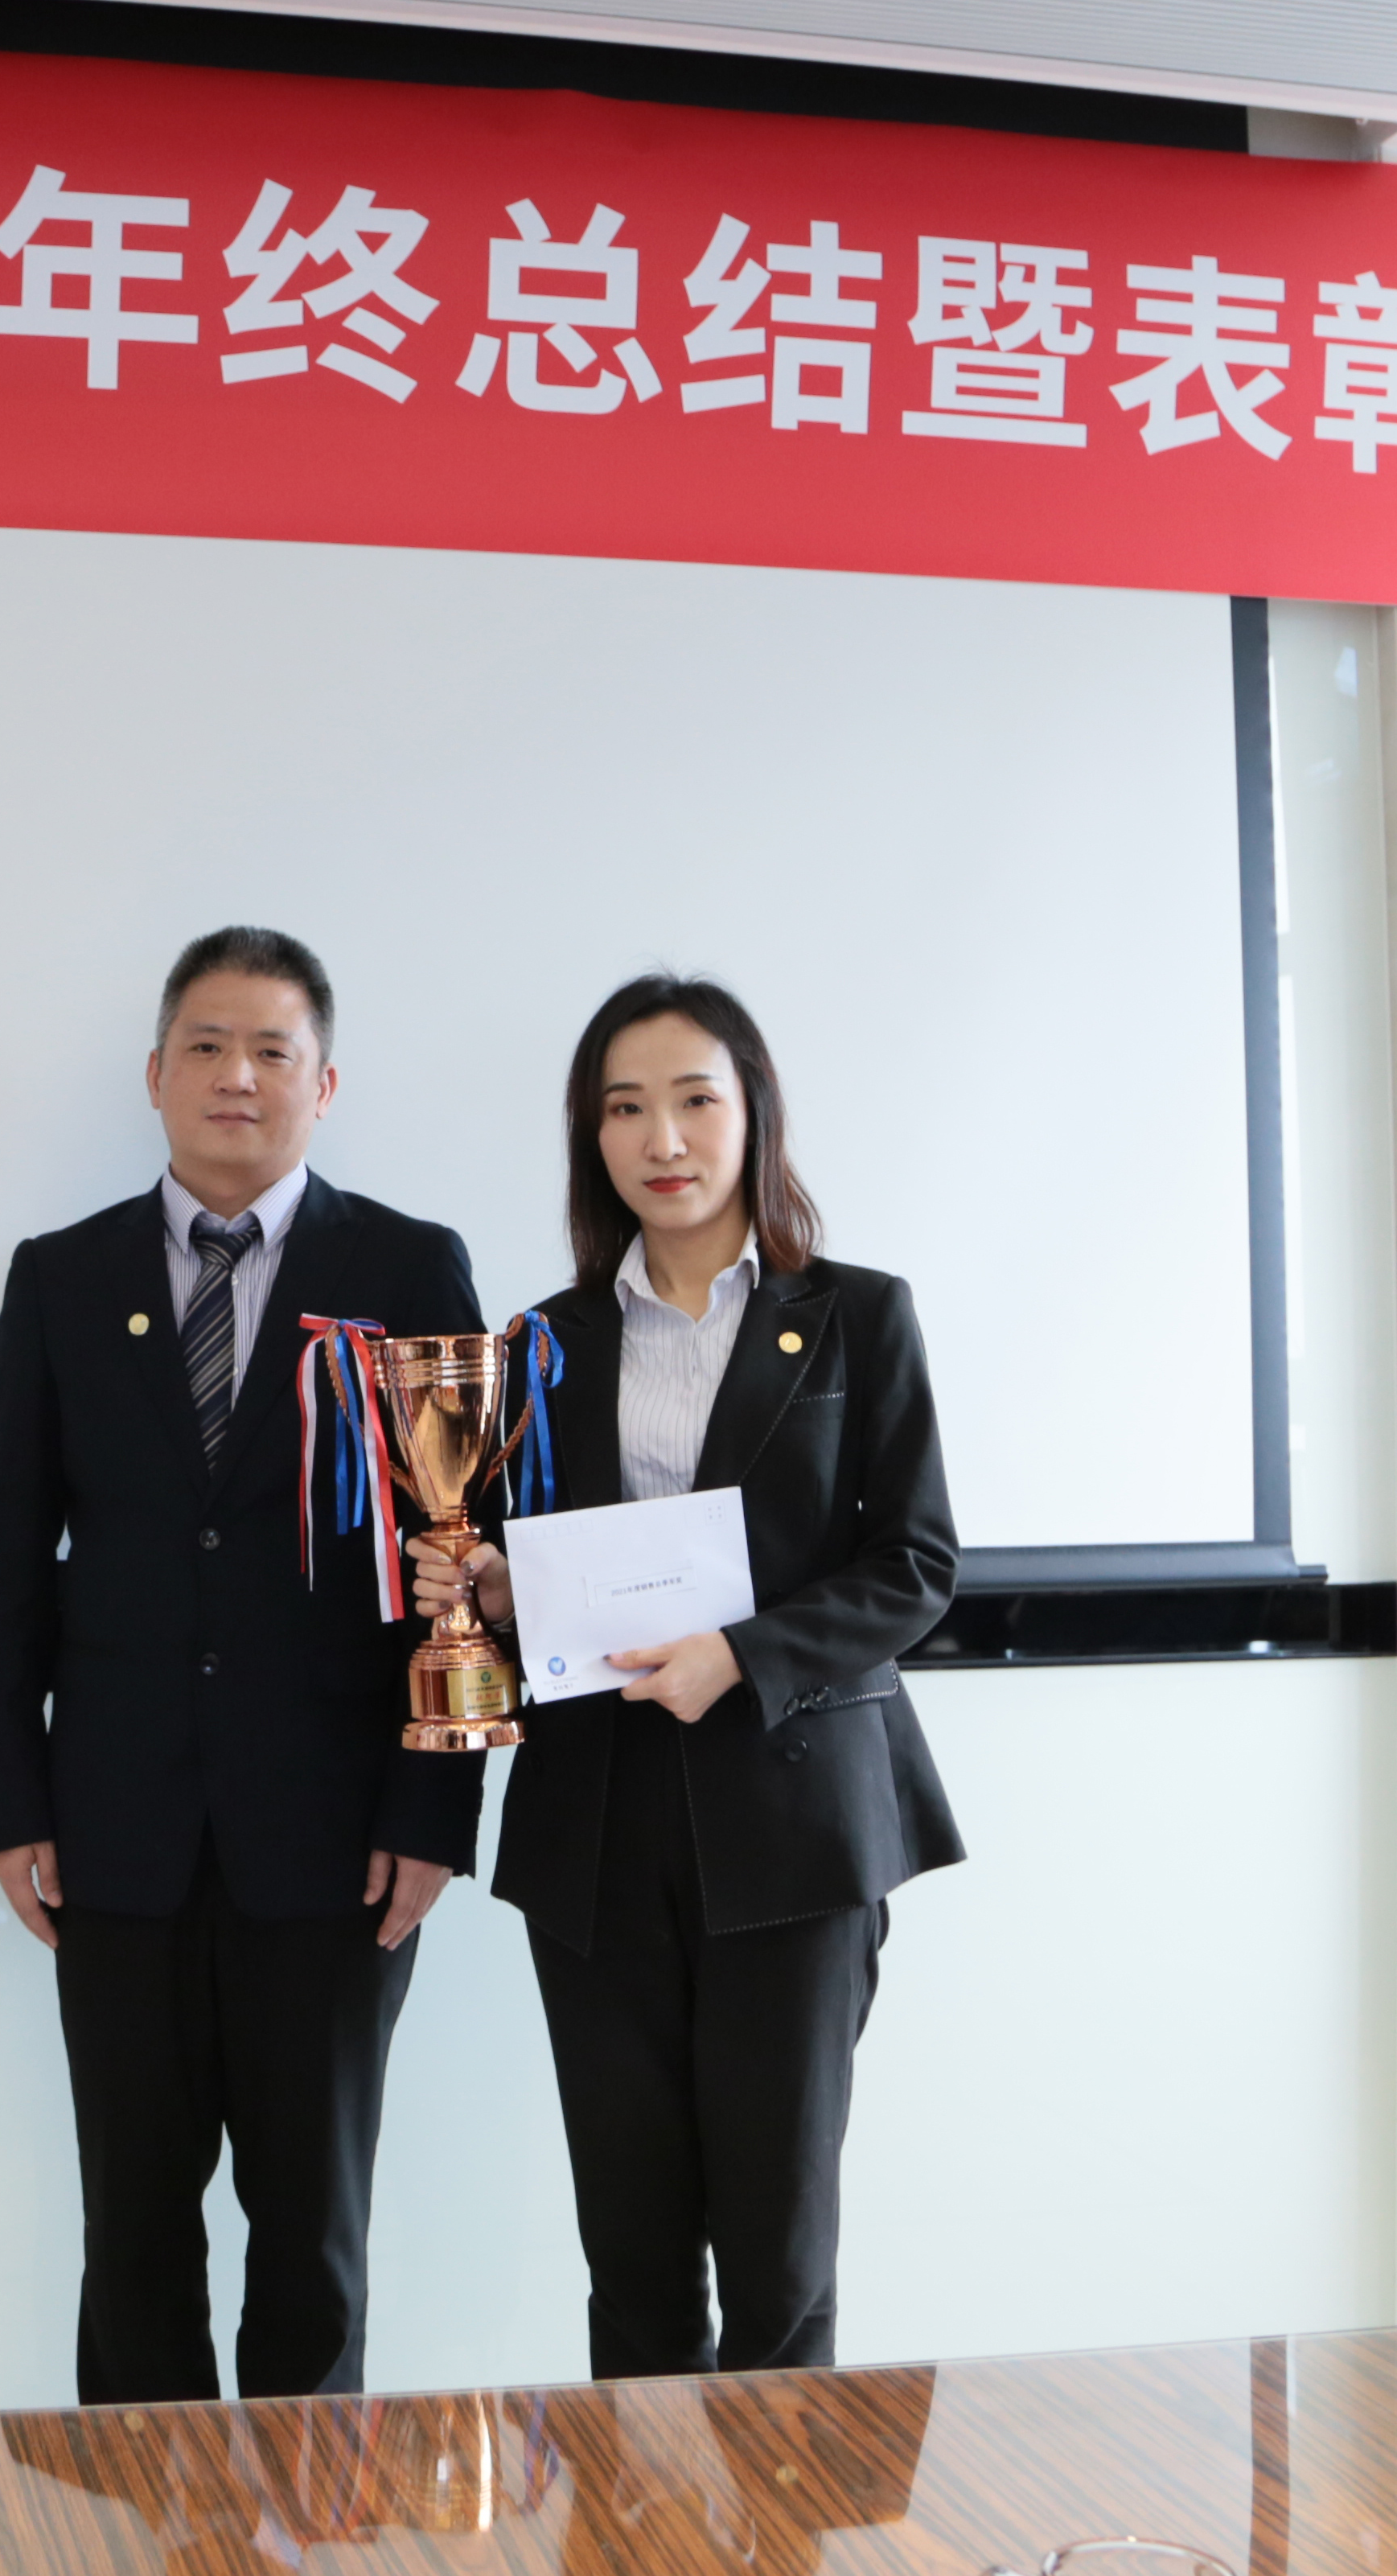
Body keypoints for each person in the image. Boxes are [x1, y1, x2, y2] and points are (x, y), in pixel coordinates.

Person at [409, 972, 964, 2378]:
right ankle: (639, 2504)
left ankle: (790, 2505)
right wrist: (493, 1595)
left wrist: (742, 1656)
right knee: (635, 2264)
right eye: (624, 1109)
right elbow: (537, 1571)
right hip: (597, 1834)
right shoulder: (538, 1344)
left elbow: (915, 1567)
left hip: (794, 1831)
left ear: (753, 1115)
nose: (662, 1138)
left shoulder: (854, 1317)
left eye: (695, 1100)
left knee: (780, 2266)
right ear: (591, 1138)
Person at [0, 925, 487, 2405]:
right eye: (206, 1045)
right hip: (115, 1833)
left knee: (312, 2242)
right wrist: (12, 1803)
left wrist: (434, 1811)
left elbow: (463, 1563)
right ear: (155, 1074)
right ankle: (147, 2522)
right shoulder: (62, 1278)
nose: (237, 1076)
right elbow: (7, 1567)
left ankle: (308, 2520)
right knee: (133, 2240)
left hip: (336, 1845)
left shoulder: (407, 1269)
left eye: (272, 1050)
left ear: (326, 1084)